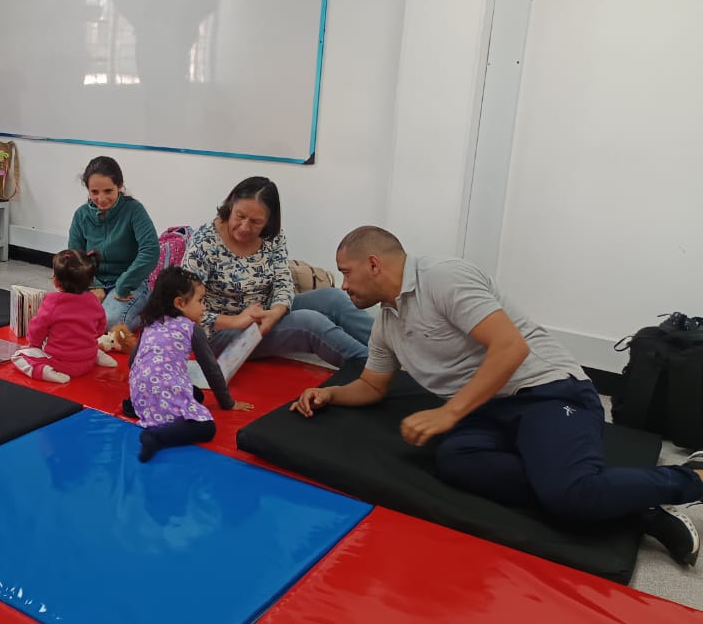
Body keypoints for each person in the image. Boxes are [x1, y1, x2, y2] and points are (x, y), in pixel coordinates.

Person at [293, 226, 703, 566]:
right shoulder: (387, 322)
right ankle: (628, 504)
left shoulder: (443, 277)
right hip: (488, 411)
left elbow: (510, 347)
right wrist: (330, 394)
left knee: (569, 494)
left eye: (346, 273)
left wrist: (450, 412)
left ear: (374, 264)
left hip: (547, 391)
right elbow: (372, 385)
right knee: (455, 462)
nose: (343, 285)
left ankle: (692, 478)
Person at [180, 176, 372, 369]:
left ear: (268, 221)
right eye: (240, 216)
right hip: (218, 332)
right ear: (230, 205)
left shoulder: (272, 237)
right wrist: (237, 320)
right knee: (310, 323)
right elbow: (185, 308)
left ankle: (385, 350)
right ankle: (372, 368)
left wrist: (276, 312)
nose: (245, 227)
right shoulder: (205, 241)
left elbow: (283, 281)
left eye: (256, 222)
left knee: (334, 298)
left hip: (265, 312)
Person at [129, 267, 253, 463]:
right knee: (206, 428)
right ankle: (156, 436)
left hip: (139, 390)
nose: (204, 307)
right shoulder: (192, 329)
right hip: (162, 387)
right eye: (200, 301)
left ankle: (139, 405)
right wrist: (228, 403)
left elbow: (132, 361)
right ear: (180, 303)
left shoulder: (152, 323)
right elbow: (211, 369)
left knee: (197, 394)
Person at [67, 156, 159, 331]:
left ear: (120, 186)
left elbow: (151, 250)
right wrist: (93, 284)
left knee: (107, 322)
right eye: (94, 192)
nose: (101, 198)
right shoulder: (81, 215)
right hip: (92, 281)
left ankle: (145, 315)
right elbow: (74, 257)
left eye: (108, 191)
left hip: (130, 283)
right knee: (65, 317)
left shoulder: (134, 210)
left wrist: (124, 285)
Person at [12, 249, 116, 384]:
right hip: (88, 360)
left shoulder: (52, 301)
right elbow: (100, 328)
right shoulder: (93, 300)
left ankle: (45, 372)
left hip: (61, 364)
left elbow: (37, 329)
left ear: (56, 281)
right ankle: (98, 356)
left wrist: (34, 345)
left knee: (18, 356)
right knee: (90, 345)